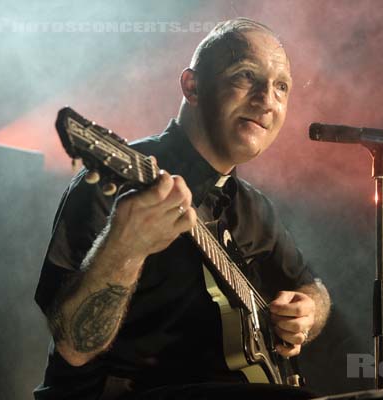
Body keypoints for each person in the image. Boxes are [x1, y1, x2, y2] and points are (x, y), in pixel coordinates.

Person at [33, 17, 331, 400]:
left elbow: (315, 288)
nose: (267, 100)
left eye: (281, 87)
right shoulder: (123, 183)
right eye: (246, 76)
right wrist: (125, 247)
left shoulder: (254, 209)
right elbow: (73, 346)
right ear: (192, 86)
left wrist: (307, 311)